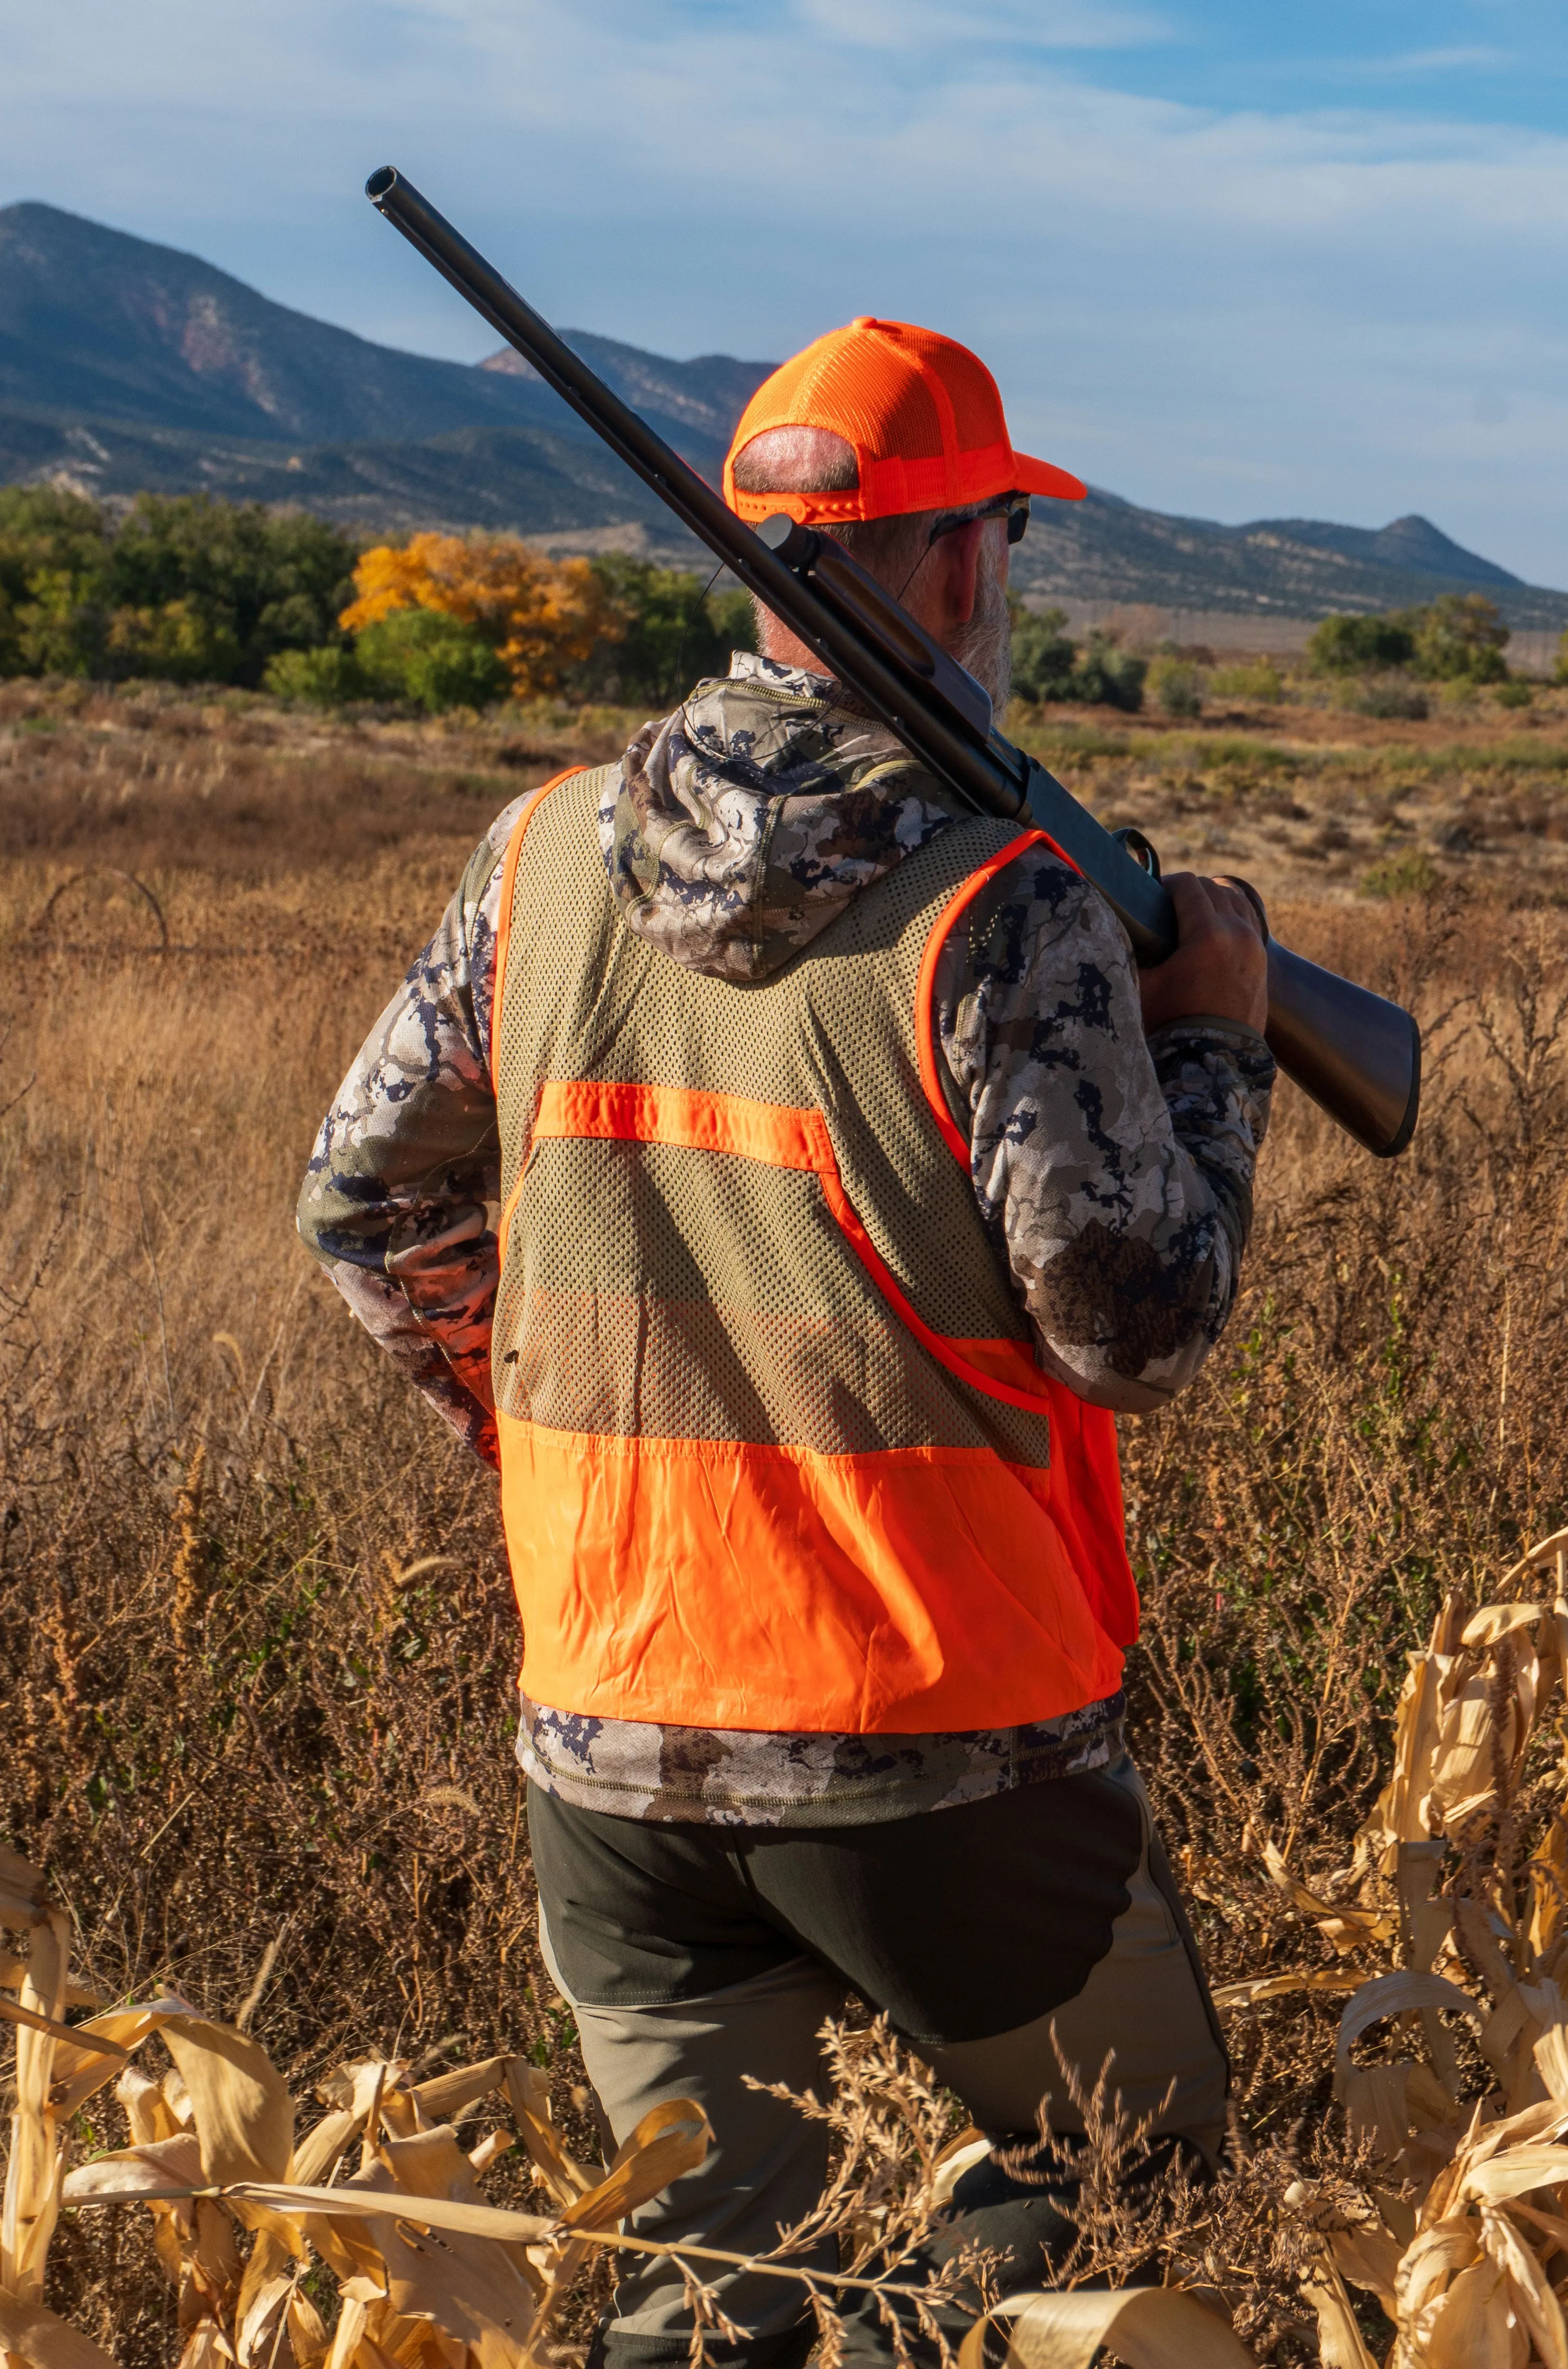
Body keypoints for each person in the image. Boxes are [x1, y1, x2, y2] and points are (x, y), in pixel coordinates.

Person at [298, 313, 1274, 2367]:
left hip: (614, 1733)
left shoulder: (537, 850)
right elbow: (1139, 1324)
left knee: (712, 2295)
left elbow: (365, 1202)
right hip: (943, 1739)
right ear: (952, 564)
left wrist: (554, 1431)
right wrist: (1219, 1048)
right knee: (1146, 2184)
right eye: (1004, 535)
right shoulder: (1000, 904)